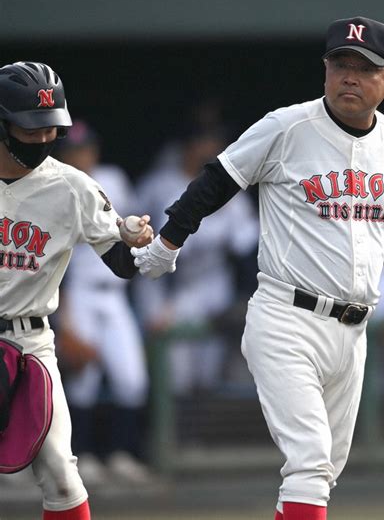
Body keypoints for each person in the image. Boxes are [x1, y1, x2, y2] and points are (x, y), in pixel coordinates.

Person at [132, 16, 384, 520]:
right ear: (325, 69)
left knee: (324, 472)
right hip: (287, 318)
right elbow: (217, 180)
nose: (349, 77)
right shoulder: (287, 125)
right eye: (340, 65)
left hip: (353, 331)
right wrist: (167, 242)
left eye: (365, 68)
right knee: (310, 465)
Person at [0, 62, 153, 520]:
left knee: (63, 478)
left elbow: (122, 265)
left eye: (51, 129)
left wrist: (139, 241)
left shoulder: (71, 186)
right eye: (31, 129)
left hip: (28, 343)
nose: (44, 139)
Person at [133, 126, 258, 440]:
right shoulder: (160, 184)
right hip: (165, 284)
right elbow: (133, 241)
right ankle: (164, 442)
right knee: (174, 373)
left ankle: (198, 442)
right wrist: (153, 308)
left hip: (210, 284)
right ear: (188, 147)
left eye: (214, 147)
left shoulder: (230, 190)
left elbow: (247, 247)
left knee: (208, 371)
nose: (208, 153)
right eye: (203, 146)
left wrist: (243, 297)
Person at [55, 120, 152, 484]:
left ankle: (124, 454)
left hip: (115, 291)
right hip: (78, 291)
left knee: (131, 376)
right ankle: (83, 456)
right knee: (83, 378)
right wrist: (64, 321)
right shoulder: (58, 182)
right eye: (75, 149)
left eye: (87, 147)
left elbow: (137, 227)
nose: (83, 154)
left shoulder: (113, 178)